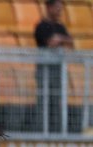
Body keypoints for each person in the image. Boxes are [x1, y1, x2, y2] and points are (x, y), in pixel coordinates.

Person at [34, 0, 74, 133]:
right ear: (49, 7)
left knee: (57, 100)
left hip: (58, 70)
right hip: (44, 69)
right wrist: (60, 40)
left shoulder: (60, 27)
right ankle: (41, 130)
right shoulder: (41, 26)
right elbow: (50, 42)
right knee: (44, 100)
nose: (59, 11)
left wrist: (60, 39)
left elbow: (70, 43)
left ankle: (57, 130)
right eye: (57, 8)